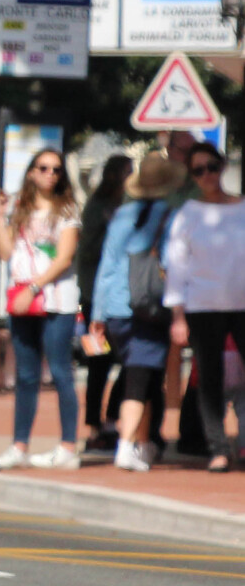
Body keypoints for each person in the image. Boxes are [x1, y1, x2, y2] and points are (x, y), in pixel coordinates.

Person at [88, 153, 181, 471]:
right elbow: (172, 264)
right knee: (139, 380)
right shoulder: (170, 217)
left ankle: (144, 444)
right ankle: (126, 445)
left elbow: (107, 266)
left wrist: (97, 315)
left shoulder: (122, 215)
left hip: (116, 309)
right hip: (149, 308)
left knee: (144, 375)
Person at [0, 150, 81, 468]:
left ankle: (68, 446)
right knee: (26, 375)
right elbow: (5, 252)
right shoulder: (20, 209)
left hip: (56, 301)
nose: (50, 174)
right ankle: (19, 446)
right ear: (31, 172)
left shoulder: (67, 210)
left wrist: (33, 289)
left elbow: (64, 258)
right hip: (23, 302)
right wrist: (1, 217)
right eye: (43, 168)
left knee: (61, 373)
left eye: (56, 170)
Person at [166, 143, 245, 473]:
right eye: (199, 170)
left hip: (241, 305)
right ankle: (217, 448)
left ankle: (241, 443)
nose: (207, 175)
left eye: (211, 167)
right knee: (209, 380)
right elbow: (176, 267)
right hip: (202, 306)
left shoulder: (242, 208)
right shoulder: (187, 214)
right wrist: (178, 316)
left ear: (222, 166)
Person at [75, 153, 132, 451]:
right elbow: (85, 250)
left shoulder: (128, 206)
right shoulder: (98, 207)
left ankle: (110, 419)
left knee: (129, 360)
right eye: (126, 173)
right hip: (92, 296)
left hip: (123, 297)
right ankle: (94, 425)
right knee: (98, 362)